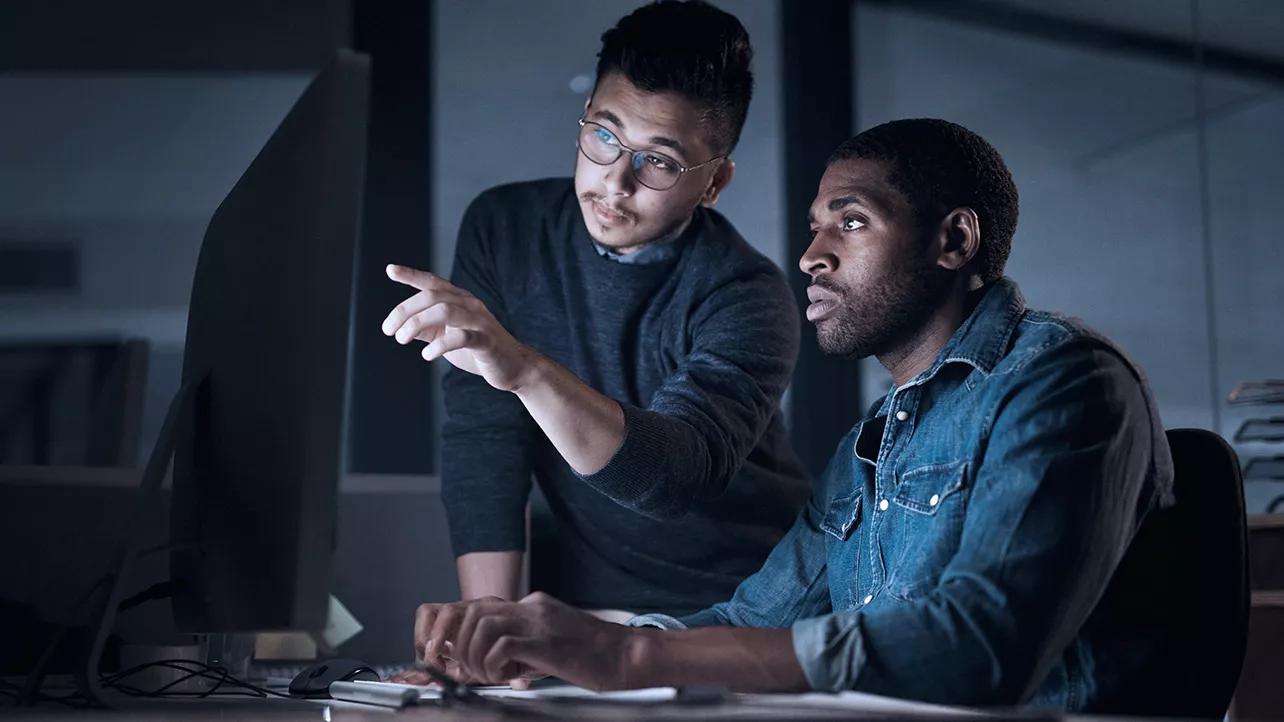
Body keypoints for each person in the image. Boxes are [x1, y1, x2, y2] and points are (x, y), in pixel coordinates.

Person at [412, 118, 1176, 713]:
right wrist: (570, 644)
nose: (810, 255)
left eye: (849, 223)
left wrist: (629, 661)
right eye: (814, 226)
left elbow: (980, 649)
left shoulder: (1064, 382)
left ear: (954, 239)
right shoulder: (872, 445)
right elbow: (751, 620)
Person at [381, 0, 810, 664]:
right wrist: (489, 627)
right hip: (585, 609)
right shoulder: (505, 229)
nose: (614, 180)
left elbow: (672, 477)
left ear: (714, 183)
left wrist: (522, 369)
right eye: (604, 135)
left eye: (659, 162)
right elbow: (484, 438)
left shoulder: (747, 294)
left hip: (742, 612)